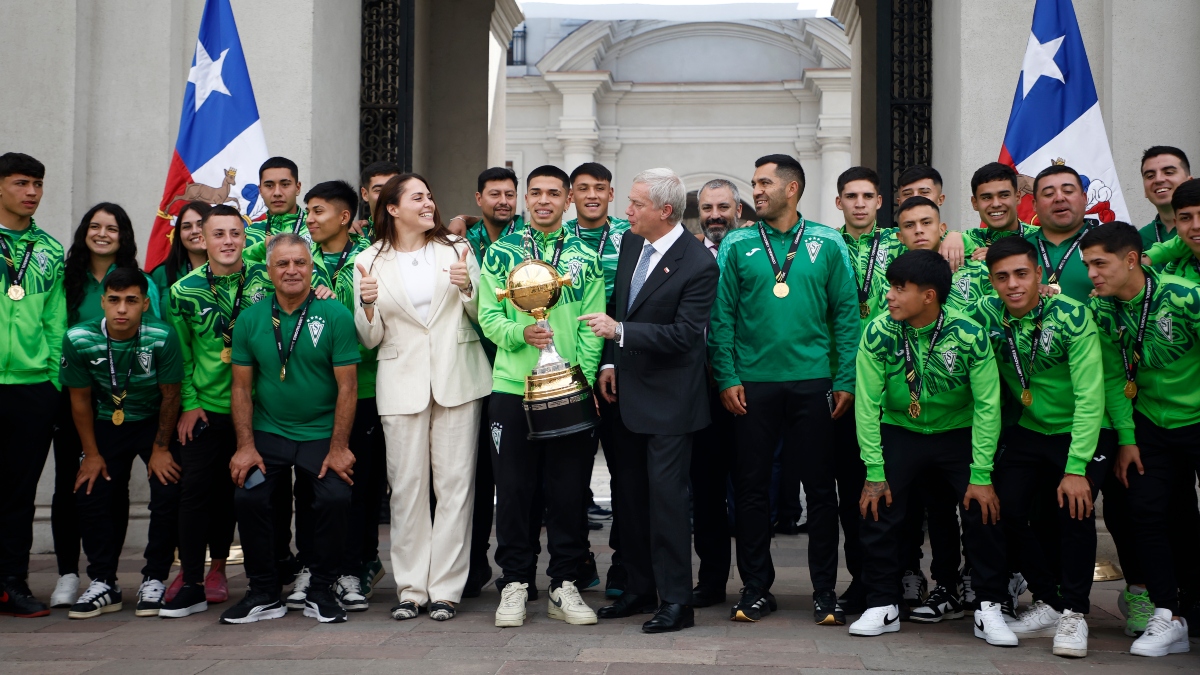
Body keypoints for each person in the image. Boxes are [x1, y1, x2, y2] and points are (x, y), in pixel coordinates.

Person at [708, 154, 858, 625]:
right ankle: (755, 588)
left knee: (820, 490)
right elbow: (722, 317)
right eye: (754, 182)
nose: (756, 190)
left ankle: (823, 591)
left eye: (764, 182)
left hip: (814, 382)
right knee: (751, 489)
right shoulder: (736, 243)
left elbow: (846, 317)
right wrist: (727, 376)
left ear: (791, 189)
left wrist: (845, 379)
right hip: (752, 385)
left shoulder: (827, 242)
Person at [848, 249, 1016, 647]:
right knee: (879, 508)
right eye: (890, 285)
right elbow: (867, 403)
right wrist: (874, 470)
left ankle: (989, 605)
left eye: (899, 288)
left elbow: (988, 405)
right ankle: (882, 603)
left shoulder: (969, 334)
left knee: (983, 508)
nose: (889, 295)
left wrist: (981, 473)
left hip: (957, 432)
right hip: (899, 429)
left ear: (928, 296)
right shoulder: (878, 330)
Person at [968, 237, 1126, 658]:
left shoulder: (1072, 315)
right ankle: (1050, 600)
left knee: (1075, 509)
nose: (1013, 285)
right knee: (1000, 508)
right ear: (992, 282)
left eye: (1022, 274)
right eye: (1001, 277)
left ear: (1039, 274)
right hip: (1031, 428)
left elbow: (1092, 396)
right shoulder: (984, 314)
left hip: (1084, 430)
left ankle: (1075, 613)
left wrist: (1076, 469)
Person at [581, 167, 718, 632]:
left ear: (664, 211)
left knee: (668, 504)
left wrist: (620, 333)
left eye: (636, 204)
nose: (627, 211)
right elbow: (625, 304)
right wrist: (610, 362)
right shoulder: (630, 243)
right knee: (631, 498)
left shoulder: (698, 263)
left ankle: (677, 602)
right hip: (627, 395)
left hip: (671, 405)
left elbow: (684, 336)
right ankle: (639, 590)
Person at [354, 173, 492, 621]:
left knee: (455, 487)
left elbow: (483, 316)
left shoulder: (457, 250)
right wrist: (369, 305)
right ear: (392, 208)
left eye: (431, 195)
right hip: (401, 384)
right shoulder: (368, 260)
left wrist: (468, 287)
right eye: (418, 197)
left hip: (458, 378)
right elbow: (370, 338)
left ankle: (447, 589)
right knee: (406, 489)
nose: (429, 203)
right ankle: (411, 589)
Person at [477, 164, 604, 628]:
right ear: (527, 199)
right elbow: (487, 315)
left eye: (554, 193)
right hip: (512, 388)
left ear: (568, 199)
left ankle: (565, 584)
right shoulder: (501, 254)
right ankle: (514, 582)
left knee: (568, 492)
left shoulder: (584, 257)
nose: (545, 200)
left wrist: (582, 377)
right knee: (513, 491)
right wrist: (519, 333)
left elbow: (593, 323)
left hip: (567, 388)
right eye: (537, 193)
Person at [223, 233, 360, 625]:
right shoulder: (251, 318)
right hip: (269, 432)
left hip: (321, 433)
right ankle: (263, 591)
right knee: (248, 496)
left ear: (311, 266)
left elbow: (348, 387)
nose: (292, 270)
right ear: (269, 271)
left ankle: (321, 589)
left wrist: (339, 448)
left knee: (335, 496)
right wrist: (245, 446)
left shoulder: (334, 315)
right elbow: (241, 387)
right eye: (282, 264)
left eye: (299, 262)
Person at [1083, 221, 1200, 658]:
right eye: (1088, 265)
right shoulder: (1100, 309)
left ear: (1131, 259)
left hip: (1197, 418)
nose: (1093, 274)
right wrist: (1128, 438)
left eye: (1100, 264)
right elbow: (1113, 377)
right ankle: (1168, 616)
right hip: (1148, 423)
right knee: (1144, 515)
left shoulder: (1184, 295)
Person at [160, 205, 274, 618]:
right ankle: (190, 577)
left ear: (246, 237)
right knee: (194, 494)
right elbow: (182, 357)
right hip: (206, 408)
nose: (228, 241)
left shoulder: (267, 278)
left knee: (240, 494)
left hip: (260, 408)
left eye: (235, 233)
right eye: (218, 234)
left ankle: (220, 569)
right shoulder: (182, 291)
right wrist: (189, 404)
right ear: (201, 240)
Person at [50, 202, 161, 609]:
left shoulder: (141, 282)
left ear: (123, 235)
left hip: (126, 403)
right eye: (94, 226)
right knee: (72, 483)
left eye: (111, 228)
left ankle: (105, 576)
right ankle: (67, 572)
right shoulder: (67, 279)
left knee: (112, 491)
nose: (101, 233)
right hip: (75, 396)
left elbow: (154, 339)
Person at [60, 269, 183, 619]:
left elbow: (171, 394)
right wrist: (92, 454)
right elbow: (80, 400)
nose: (122, 310)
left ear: (145, 303)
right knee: (92, 489)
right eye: (113, 300)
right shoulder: (78, 338)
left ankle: (155, 578)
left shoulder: (162, 335)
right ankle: (102, 581)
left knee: (168, 486)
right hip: (105, 420)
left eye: (131, 301)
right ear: (102, 303)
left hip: (153, 420)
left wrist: (160, 449)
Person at [0, 152, 65, 618]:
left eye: (38, 184)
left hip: (33, 386)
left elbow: (56, 322)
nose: (32, 193)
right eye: (22, 183)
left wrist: (55, 382)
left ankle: (12, 582)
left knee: (19, 493)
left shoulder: (50, 250)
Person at [461, 166, 528, 600]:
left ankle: (522, 571)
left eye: (509, 194)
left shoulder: (531, 241)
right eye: (494, 194)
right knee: (476, 474)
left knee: (521, 480)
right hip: (471, 372)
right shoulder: (460, 243)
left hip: (516, 372)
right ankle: (472, 565)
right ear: (479, 198)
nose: (503, 201)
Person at [565, 161, 631, 592]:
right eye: (583, 188)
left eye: (600, 188)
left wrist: (610, 360)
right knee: (569, 476)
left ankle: (625, 568)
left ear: (611, 193)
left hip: (624, 366)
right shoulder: (558, 238)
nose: (592, 195)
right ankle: (576, 562)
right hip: (569, 368)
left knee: (626, 474)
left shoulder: (632, 234)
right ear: (571, 195)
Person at [829, 166, 891, 614]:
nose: (859, 203)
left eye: (867, 196)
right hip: (840, 382)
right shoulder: (824, 245)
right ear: (839, 203)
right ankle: (860, 578)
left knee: (892, 485)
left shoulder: (898, 242)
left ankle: (895, 577)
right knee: (851, 487)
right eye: (851, 196)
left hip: (893, 381)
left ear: (879, 201)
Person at [688, 178, 745, 608]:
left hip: (747, 386)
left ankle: (755, 581)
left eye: (722, 206)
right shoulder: (689, 256)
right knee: (705, 490)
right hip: (700, 389)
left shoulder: (755, 253)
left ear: (738, 209)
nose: (714, 215)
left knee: (749, 490)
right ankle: (710, 581)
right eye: (707, 208)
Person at [1023, 165, 1095, 302]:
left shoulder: (1111, 245)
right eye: (1049, 194)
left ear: (1085, 198)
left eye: (1068, 191)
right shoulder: (1018, 249)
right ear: (1034, 205)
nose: (1059, 198)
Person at [963, 162, 1036, 262]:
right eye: (987, 197)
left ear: (1017, 197)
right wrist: (952, 236)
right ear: (975, 203)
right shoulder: (966, 241)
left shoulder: (1040, 237)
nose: (996, 204)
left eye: (1004, 195)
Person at [151, 201, 211, 313]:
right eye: (187, 227)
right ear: (179, 234)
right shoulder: (161, 274)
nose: (194, 231)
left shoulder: (230, 269)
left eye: (201, 224)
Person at [244, 157, 308, 248]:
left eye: (285, 184)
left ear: (297, 188)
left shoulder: (316, 227)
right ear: (260, 190)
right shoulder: (248, 234)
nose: (277, 193)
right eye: (269, 186)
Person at [1137, 146, 1192, 252]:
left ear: (1189, 182)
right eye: (1150, 176)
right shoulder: (1139, 240)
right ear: (1145, 190)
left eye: (1169, 172)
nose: (1158, 179)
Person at [352, 160, 403, 240]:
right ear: (365, 194)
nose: (386, 195)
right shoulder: (354, 237)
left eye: (393, 189)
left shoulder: (419, 233)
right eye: (378, 190)